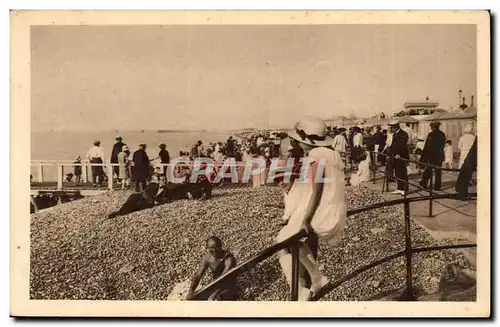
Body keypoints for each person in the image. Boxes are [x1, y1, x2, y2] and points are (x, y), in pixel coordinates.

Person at [276, 116, 347, 301]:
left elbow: (316, 190)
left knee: (282, 241)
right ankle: (310, 283)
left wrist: (306, 218)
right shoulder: (331, 154)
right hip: (333, 209)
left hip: (320, 210)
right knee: (291, 240)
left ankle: (305, 285)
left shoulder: (316, 156)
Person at [187, 236, 238, 301]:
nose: (214, 250)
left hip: (228, 286)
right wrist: (191, 291)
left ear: (221, 246)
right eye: (211, 248)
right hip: (215, 284)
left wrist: (214, 294)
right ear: (207, 248)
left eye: (217, 247)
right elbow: (198, 275)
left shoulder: (229, 259)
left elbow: (223, 278)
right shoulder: (208, 257)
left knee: (213, 299)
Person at [419, 121, 446, 191]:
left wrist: (423, 156)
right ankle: (437, 186)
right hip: (439, 155)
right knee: (438, 171)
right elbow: (442, 145)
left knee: (429, 169)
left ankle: (424, 182)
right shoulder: (442, 134)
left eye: (431, 127)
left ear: (433, 127)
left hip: (431, 155)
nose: (430, 128)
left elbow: (427, 146)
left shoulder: (431, 134)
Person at [387, 120, 409, 195]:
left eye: (392, 128)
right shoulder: (395, 134)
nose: (391, 129)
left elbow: (402, 146)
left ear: (396, 127)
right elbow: (393, 145)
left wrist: (399, 153)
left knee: (402, 172)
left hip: (401, 156)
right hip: (395, 156)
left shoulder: (403, 134)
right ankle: (400, 188)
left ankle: (405, 189)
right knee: (398, 173)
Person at [455, 136, 477, 201]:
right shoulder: (473, 137)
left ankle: (462, 193)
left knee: (465, 170)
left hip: (469, 155)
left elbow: (459, 146)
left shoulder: (462, 137)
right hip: (471, 155)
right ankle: (462, 191)